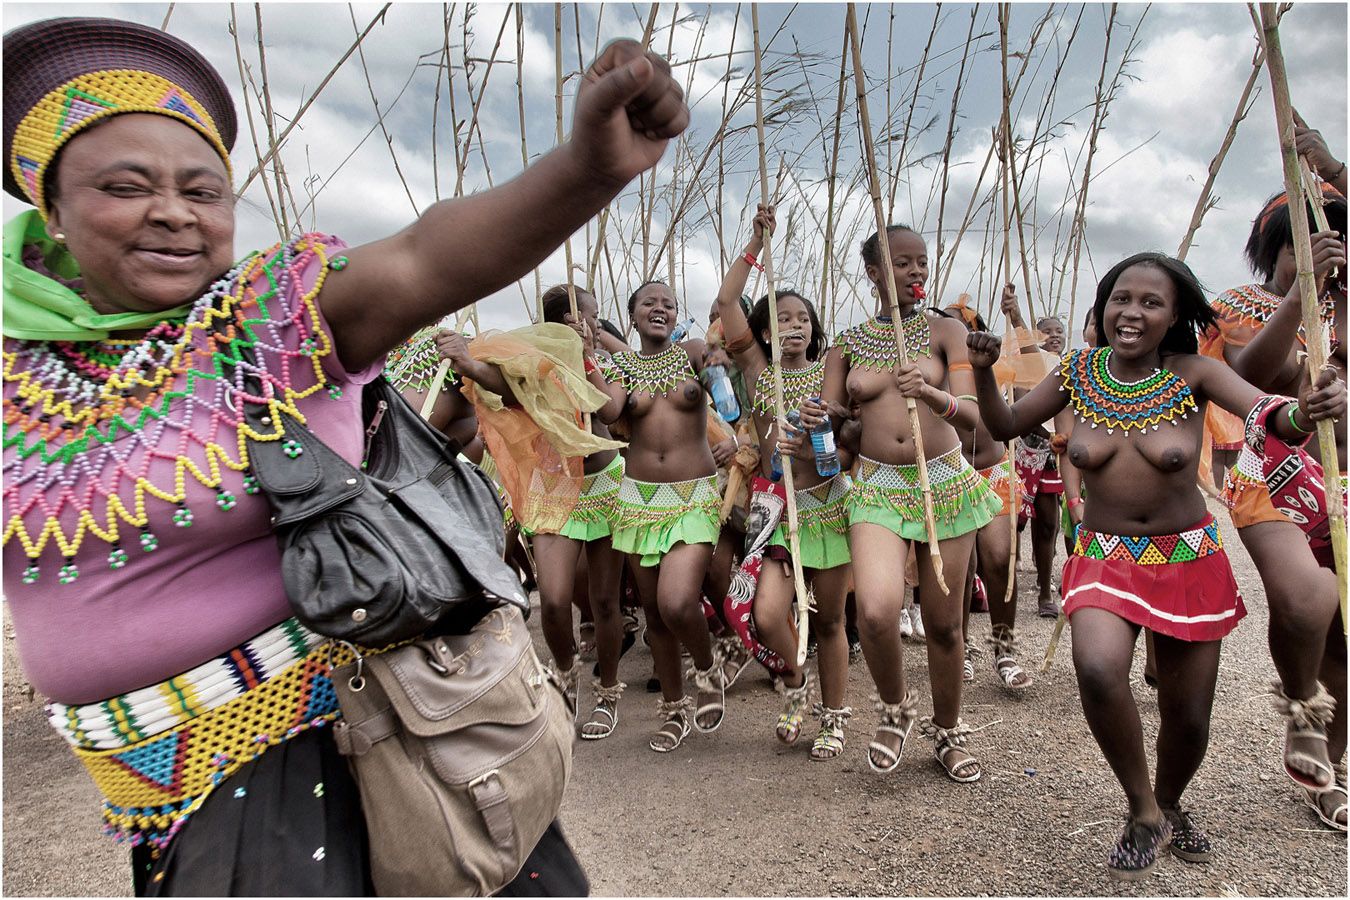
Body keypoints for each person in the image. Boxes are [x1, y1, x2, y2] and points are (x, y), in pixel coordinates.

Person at [1, 15, 687, 894]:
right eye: (126, 186)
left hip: (364, 748)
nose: (172, 212)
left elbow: (421, 258)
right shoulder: (16, 374)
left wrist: (584, 170)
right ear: (50, 206)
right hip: (163, 806)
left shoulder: (269, 321)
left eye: (204, 191)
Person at [968, 251, 1345, 879]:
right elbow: (1005, 424)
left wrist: (1305, 411)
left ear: (1174, 317)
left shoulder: (1194, 372)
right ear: (1103, 305)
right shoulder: (1076, 374)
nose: (1132, 312)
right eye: (1121, 298)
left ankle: (1170, 800)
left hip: (1187, 560)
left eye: (1151, 302)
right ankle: (1141, 809)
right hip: (1102, 556)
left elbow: (1265, 415)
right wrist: (983, 372)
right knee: (1096, 667)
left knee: (1189, 718)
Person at [817, 224, 1002, 781]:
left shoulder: (948, 331)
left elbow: (973, 416)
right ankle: (895, 709)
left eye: (922, 262)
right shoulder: (846, 345)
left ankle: (947, 731)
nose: (916, 271)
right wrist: (812, 421)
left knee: (947, 626)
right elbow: (832, 417)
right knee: (874, 610)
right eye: (902, 263)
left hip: (943, 481)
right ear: (875, 273)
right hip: (875, 485)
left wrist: (931, 393)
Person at [440, 286, 631, 742]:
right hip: (553, 487)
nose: (595, 324)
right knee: (554, 598)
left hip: (605, 484)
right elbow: (510, 388)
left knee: (606, 602)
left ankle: (608, 692)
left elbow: (611, 410)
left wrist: (588, 354)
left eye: (597, 318)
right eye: (590, 315)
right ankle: (565, 677)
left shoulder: (609, 358)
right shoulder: (528, 355)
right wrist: (468, 363)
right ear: (568, 316)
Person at [1219, 181, 1347, 831]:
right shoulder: (1246, 304)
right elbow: (1256, 374)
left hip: (1344, 482)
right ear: (1273, 248)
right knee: (1306, 600)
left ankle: (1333, 765)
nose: (1323, 251)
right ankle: (1301, 705)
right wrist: (1301, 297)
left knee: (1346, 634)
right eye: (1300, 242)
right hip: (1273, 473)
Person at [714, 204, 855, 759]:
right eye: (783, 320)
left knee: (831, 620)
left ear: (814, 329)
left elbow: (852, 438)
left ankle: (835, 715)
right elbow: (727, 303)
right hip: (776, 509)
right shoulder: (756, 374)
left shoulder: (831, 374)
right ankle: (795, 684)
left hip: (826, 501)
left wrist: (830, 430)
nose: (795, 327)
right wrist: (755, 243)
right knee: (769, 613)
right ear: (765, 332)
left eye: (803, 319)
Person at [585, 280, 728, 752]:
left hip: (693, 496)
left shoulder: (690, 352)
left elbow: (720, 387)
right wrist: (590, 359)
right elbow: (608, 410)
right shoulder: (623, 366)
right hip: (638, 501)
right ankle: (674, 710)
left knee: (676, 602)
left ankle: (707, 668)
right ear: (632, 315)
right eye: (649, 302)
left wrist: (718, 367)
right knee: (655, 616)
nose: (660, 308)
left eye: (668, 302)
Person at [939, 295, 1043, 694]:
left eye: (957, 324)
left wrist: (1017, 317)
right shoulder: (935, 364)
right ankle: (959, 649)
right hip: (950, 475)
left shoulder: (996, 363)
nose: (948, 331)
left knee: (1000, 559)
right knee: (959, 569)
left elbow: (1036, 372)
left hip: (994, 471)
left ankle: (1004, 649)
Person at [1002, 300, 1066, 618]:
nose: (1054, 335)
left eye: (1059, 331)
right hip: (1025, 449)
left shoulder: (1068, 365)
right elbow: (1022, 402)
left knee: (1048, 524)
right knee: (1013, 522)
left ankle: (1044, 592)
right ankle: (1005, 582)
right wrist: (1015, 315)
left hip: (1054, 452)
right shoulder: (1028, 360)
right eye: (1047, 331)